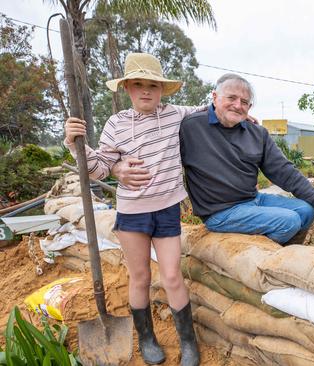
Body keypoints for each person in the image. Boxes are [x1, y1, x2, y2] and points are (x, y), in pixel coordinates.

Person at [64, 52, 202, 366]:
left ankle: (188, 344)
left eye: (152, 85)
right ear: (127, 88)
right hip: (132, 212)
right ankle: (147, 338)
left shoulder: (175, 115)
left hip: (167, 208)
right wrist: (75, 145)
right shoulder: (116, 124)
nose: (145, 91)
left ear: (161, 89)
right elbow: (98, 168)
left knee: (171, 276)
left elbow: (210, 110)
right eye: (138, 84)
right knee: (139, 276)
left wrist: (236, 110)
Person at [112, 73, 314, 245]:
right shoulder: (191, 127)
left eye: (244, 102)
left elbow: (286, 172)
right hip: (220, 212)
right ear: (214, 97)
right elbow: (154, 146)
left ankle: (282, 254)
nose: (238, 105)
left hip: (252, 201)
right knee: (288, 222)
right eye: (231, 98)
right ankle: (266, 256)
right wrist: (117, 165)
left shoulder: (256, 133)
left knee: (305, 211)